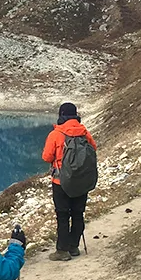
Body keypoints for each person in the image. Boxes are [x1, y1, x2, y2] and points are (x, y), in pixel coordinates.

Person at [42, 102, 97, 261]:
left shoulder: (56, 134)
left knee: (63, 215)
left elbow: (46, 157)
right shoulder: (84, 132)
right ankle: (74, 246)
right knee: (78, 213)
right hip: (81, 180)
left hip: (61, 182)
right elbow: (93, 148)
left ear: (61, 115)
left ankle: (62, 251)